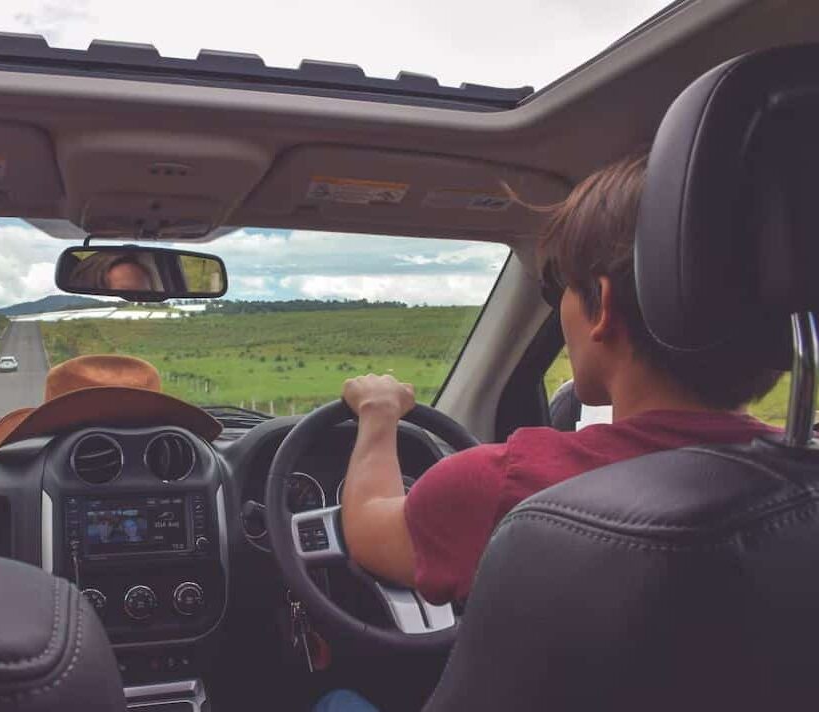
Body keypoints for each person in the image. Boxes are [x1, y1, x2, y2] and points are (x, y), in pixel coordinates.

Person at [316, 153, 782, 712]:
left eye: (560, 285)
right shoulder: (801, 484)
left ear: (602, 306)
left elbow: (367, 530)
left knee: (336, 698)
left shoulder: (508, 486)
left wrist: (378, 415)